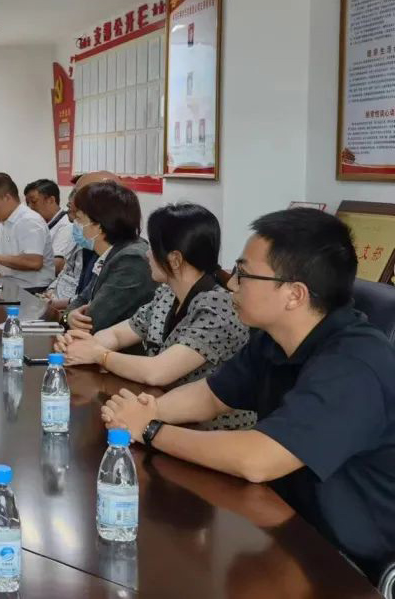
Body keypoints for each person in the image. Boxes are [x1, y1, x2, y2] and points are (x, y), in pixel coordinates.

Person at [101, 208, 395, 584]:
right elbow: (211, 396)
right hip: (287, 526)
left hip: (350, 565)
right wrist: (147, 409)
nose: (232, 284)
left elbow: (258, 459)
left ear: (294, 294)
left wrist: (150, 430)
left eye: (244, 274)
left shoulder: (355, 365)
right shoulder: (274, 339)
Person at [55, 203, 254, 429]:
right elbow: (119, 334)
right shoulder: (167, 294)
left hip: (208, 433)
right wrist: (80, 345)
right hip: (162, 415)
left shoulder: (219, 307)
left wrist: (99, 355)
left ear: (175, 259)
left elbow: (158, 372)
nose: (147, 254)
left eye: (153, 248)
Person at [62, 181, 156, 333]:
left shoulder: (131, 260)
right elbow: (81, 300)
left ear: (98, 225)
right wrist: (69, 317)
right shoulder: (108, 253)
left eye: (79, 219)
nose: (75, 223)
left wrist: (69, 318)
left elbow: (93, 321)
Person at [44, 171, 119, 307]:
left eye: (77, 194)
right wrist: (50, 293)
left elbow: (92, 305)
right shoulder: (82, 238)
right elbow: (66, 274)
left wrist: (62, 311)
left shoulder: (119, 253)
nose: (71, 200)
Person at [24, 179, 74, 274]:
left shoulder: (66, 225)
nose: (30, 208)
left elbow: (56, 265)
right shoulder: (38, 224)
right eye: (27, 203)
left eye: (34, 202)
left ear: (51, 200)